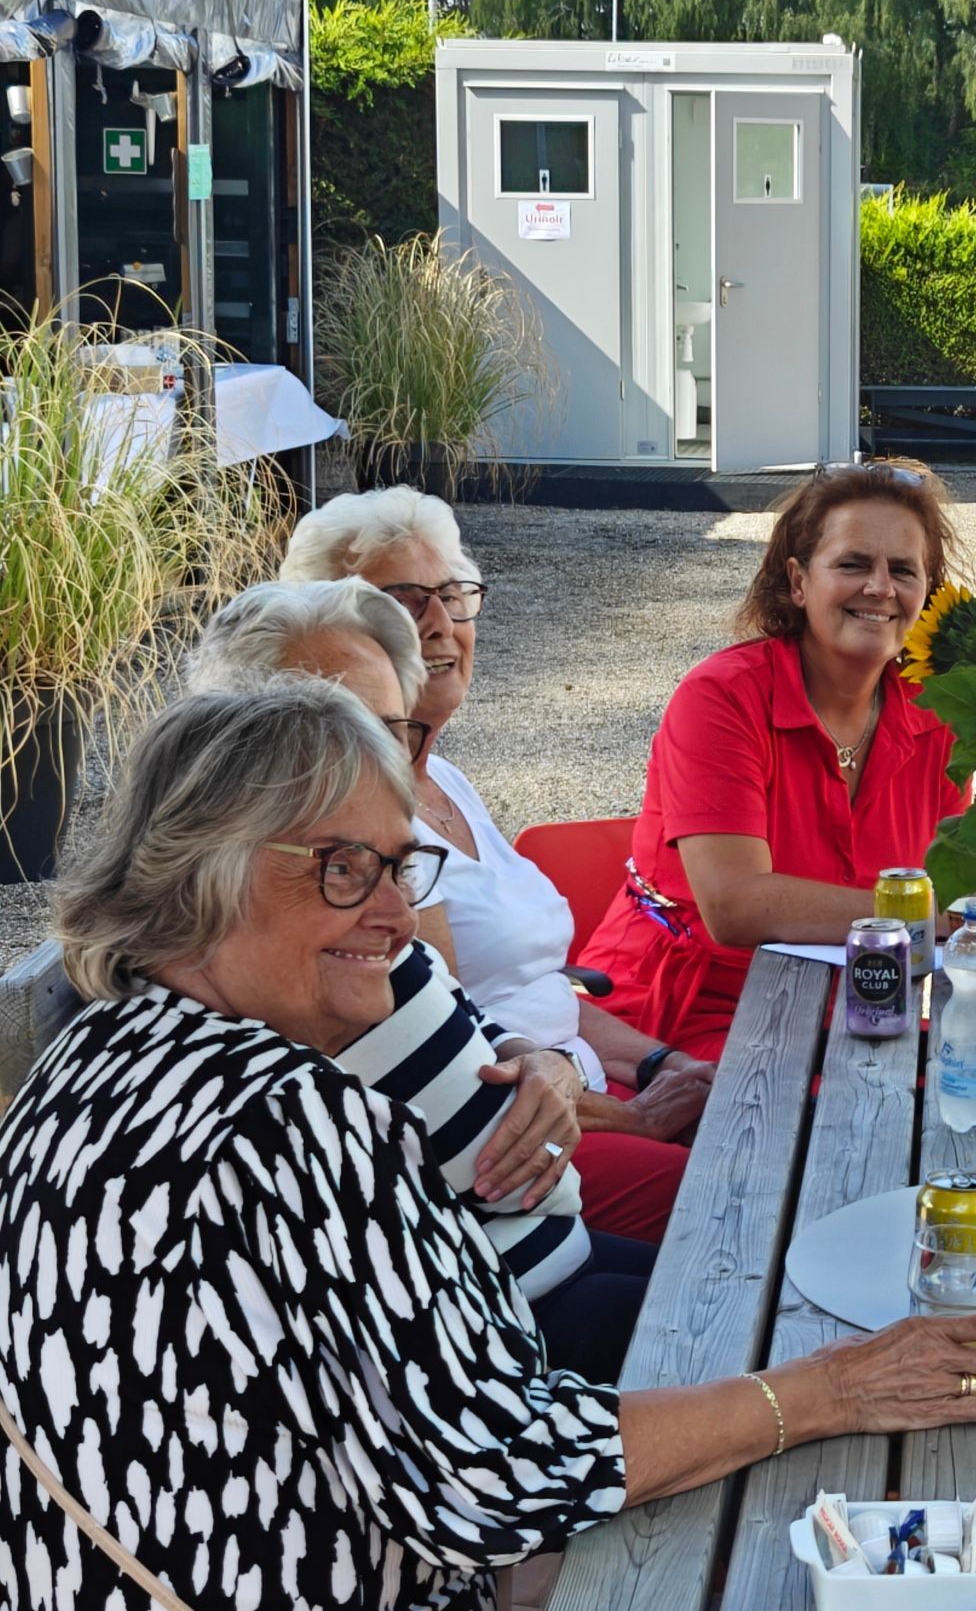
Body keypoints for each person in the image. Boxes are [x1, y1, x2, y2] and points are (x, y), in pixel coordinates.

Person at [0, 682, 976, 1611]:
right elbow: (498, 1471)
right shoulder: (283, 1119)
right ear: (199, 870)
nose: (395, 913)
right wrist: (821, 1391)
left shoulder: (99, 1059)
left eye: (402, 866)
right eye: (342, 870)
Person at [186, 577, 654, 1381]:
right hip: (485, 1320)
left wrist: (540, 1060)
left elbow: (451, 1011)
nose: (378, 769)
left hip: (541, 1244)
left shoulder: (369, 880)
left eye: (390, 732)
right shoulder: (265, 946)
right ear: (237, 747)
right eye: (335, 732)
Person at [281, 487, 709, 1244]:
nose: (439, 624)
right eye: (402, 602)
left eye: (452, 595)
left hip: (584, 1095)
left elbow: (533, 985)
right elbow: (448, 1054)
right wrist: (640, 1117)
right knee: (753, 1189)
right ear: (332, 644)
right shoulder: (364, 836)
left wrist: (662, 1065)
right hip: (513, 1149)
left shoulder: (447, 780)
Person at [577, 461, 968, 1061]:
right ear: (798, 581)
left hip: (855, 1008)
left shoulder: (938, 713)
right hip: (681, 1018)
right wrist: (932, 913)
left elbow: (967, 881)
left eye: (903, 570)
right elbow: (737, 906)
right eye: (853, 564)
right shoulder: (722, 697)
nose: (880, 587)